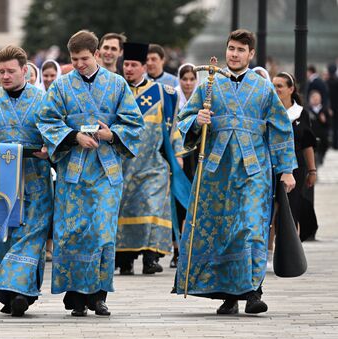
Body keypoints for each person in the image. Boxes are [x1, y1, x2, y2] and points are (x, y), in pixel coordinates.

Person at [174, 29, 297, 315]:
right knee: (222, 232)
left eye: (241, 50)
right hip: (217, 171)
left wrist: (287, 169)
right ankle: (228, 295)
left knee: (251, 228)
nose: (234, 54)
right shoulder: (209, 85)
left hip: (254, 171)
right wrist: (197, 119)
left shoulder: (264, 88)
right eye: (231, 48)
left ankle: (253, 292)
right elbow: (184, 119)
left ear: (250, 54)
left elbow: (280, 128)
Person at [37, 30, 144, 317]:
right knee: (72, 232)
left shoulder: (117, 84)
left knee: (101, 232)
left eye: (84, 58)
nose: (80, 64)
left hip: (106, 171)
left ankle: (98, 295)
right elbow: (45, 120)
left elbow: (135, 123)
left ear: (96, 55)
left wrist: (111, 134)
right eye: (74, 59)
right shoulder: (60, 86)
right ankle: (74, 295)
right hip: (72, 171)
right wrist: (73, 136)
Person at [0, 45, 53, 317]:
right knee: (4, 237)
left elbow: (55, 134)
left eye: (10, 71)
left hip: (35, 183)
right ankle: (13, 292)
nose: (4, 76)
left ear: (25, 71)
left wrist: (48, 148)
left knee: (31, 238)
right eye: (0, 71)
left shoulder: (43, 101)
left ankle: (20, 293)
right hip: (1, 183)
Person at [116, 42, 189, 276]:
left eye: (133, 65)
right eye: (126, 64)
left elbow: (173, 127)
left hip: (152, 163)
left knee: (152, 206)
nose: (128, 69)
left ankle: (150, 257)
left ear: (144, 67)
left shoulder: (162, 94)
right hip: (121, 164)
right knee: (123, 211)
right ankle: (125, 260)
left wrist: (177, 154)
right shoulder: (115, 91)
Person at [270, 72, 317, 253]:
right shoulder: (269, 111)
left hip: (295, 168)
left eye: (280, 86)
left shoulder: (300, 113)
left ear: (291, 89)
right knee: (272, 211)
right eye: (273, 86)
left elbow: (307, 144)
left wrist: (312, 171)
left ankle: (292, 254)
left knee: (291, 210)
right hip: (272, 165)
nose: (276, 90)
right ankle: (269, 252)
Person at [172, 63, 199, 268]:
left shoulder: (202, 101)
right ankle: (177, 248)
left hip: (197, 155)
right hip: (179, 157)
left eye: (191, 79)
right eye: (184, 79)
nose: (188, 83)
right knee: (179, 202)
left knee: (195, 199)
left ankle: (191, 247)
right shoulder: (174, 101)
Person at [308, 90, 330, 165]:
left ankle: (321, 157)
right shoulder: (308, 110)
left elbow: (329, 124)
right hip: (312, 134)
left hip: (322, 134)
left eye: (317, 98)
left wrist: (325, 120)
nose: (315, 100)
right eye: (313, 98)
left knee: (323, 147)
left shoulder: (325, 109)